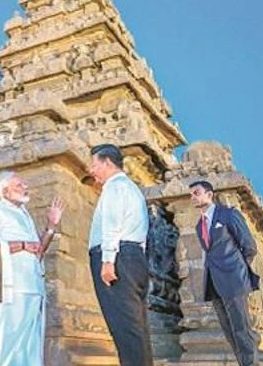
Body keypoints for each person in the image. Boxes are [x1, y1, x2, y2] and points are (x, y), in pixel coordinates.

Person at [0, 170, 65, 366]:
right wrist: (23, 245)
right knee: (9, 340)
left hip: (34, 286)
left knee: (31, 344)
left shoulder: (25, 215)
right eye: (19, 185)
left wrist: (51, 225)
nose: (25, 187)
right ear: (6, 191)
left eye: (24, 184)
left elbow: (39, 251)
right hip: (13, 287)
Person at [87, 144, 153, 366]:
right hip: (133, 258)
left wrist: (107, 261)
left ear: (107, 163)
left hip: (118, 259)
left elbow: (113, 224)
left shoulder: (115, 188)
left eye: (94, 165)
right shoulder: (132, 188)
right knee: (135, 329)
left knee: (125, 329)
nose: (91, 170)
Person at [190, 180, 260, 366]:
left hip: (234, 279)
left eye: (196, 193)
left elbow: (249, 246)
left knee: (242, 329)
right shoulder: (199, 225)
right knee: (229, 332)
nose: (192, 197)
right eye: (191, 194)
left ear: (209, 194)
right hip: (213, 283)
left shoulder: (228, 215)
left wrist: (238, 270)